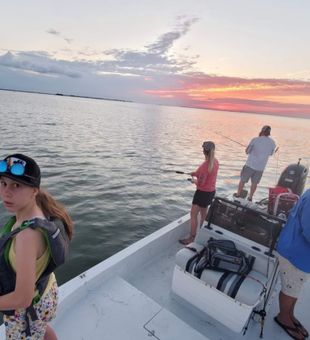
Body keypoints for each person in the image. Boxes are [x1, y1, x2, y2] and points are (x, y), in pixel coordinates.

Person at [0, 154, 74, 340]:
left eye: (17, 185)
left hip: (28, 311)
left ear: (34, 190)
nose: (6, 192)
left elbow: (22, 298)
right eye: (3, 183)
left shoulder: (27, 235)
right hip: (46, 290)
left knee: (36, 329)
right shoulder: (36, 211)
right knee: (42, 329)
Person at [274, 188, 310, 340]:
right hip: (294, 252)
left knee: (296, 288)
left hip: (302, 255)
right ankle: (283, 317)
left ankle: (290, 314)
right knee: (290, 288)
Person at [179, 141, 219, 245]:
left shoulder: (204, 166)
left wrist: (193, 181)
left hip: (202, 193)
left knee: (193, 215)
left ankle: (192, 238)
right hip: (211, 193)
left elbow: (200, 184)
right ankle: (202, 235)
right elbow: (206, 175)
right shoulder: (216, 162)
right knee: (204, 214)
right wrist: (195, 173)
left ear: (204, 151)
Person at [234, 125, 276, 201]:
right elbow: (271, 153)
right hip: (260, 168)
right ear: (269, 133)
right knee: (254, 183)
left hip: (250, 165)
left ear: (262, 131)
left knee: (243, 180)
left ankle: (238, 195)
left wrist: (249, 149)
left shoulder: (255, 140)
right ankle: (250, 197)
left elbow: (247, 152)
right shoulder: (272, 142)